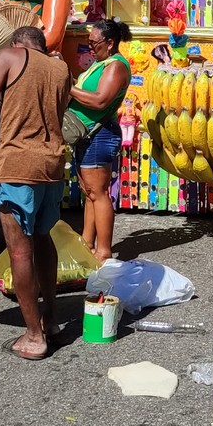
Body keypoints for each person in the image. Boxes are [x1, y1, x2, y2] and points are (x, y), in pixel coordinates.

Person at [0, 25, 71, 360]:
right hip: (52, 166)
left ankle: (33, 337)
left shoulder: (9, 56)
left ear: (17, 44)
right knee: (43, 239)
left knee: (20, 252)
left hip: (18, 165)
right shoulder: (60, 67)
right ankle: (52, 321)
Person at [67, 17, 133, 261]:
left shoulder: (115, 66)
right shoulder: (100, 64)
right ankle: (87, 244)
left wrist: (68, 86)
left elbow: (100, 100)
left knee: (99, 192)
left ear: (110, 42)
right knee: (90, 193)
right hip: (88, 135)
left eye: (94, 43)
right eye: (89, 42)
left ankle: (103, 250)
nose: (90, 47)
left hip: (99, 134)